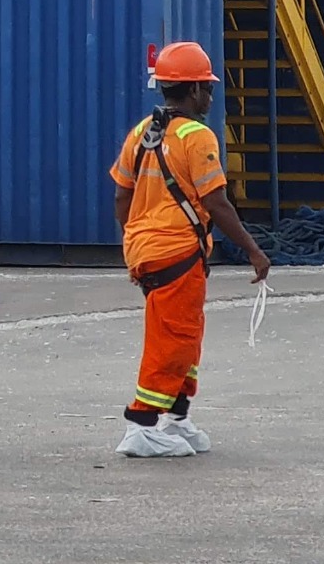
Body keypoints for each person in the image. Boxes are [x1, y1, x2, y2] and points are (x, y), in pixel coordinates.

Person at [108, 41, 271, 458]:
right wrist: (254, 250)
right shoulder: (197, 137)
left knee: (185, 335)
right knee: (174, 339)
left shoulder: (141, 133)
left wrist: (134, 238)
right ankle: (142, 424)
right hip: (176, 251)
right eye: (208, 88)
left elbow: (121, 198)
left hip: (148, 251)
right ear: (195, 90)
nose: (211, 97)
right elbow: (216, 201)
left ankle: (176, 416)